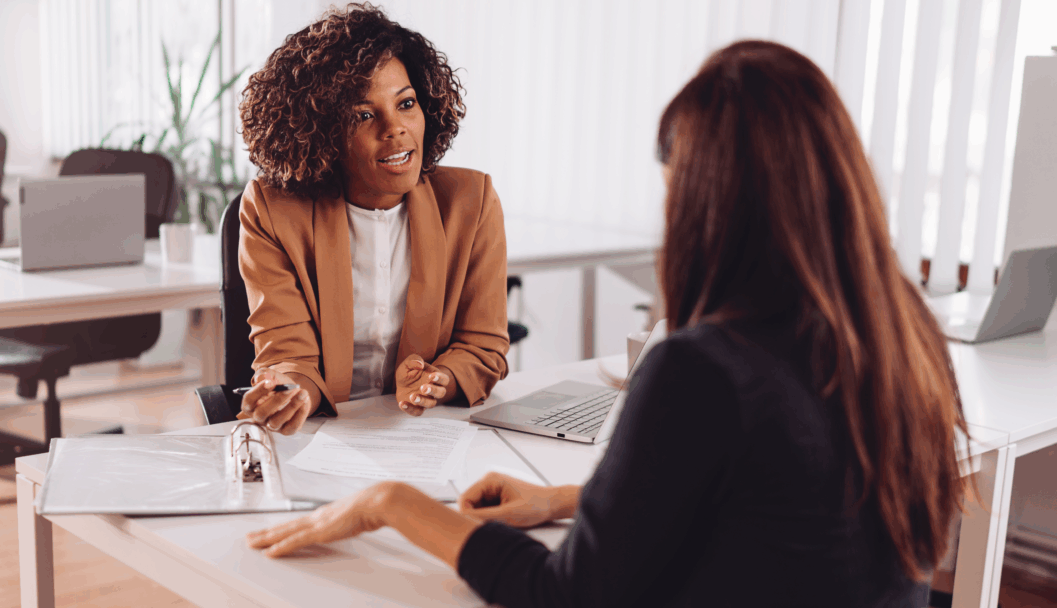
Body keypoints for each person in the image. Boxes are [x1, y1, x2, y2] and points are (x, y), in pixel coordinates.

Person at [245, 40, 970, 607]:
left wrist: (390, 502)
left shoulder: (702, 369)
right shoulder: (900, 332)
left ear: (706, 202)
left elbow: (565, 595)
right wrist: (569, 499)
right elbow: (772, 499)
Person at [235, 4, 509, 434]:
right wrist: (289, 392)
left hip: (427, 434)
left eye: (406, 103)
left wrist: (439, 380)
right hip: (324, 433)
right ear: (321, 133)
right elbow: (288, 354)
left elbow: (482, 345)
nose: (395, 128)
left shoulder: (470, 203)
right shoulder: (273, 210)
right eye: (364, 115)